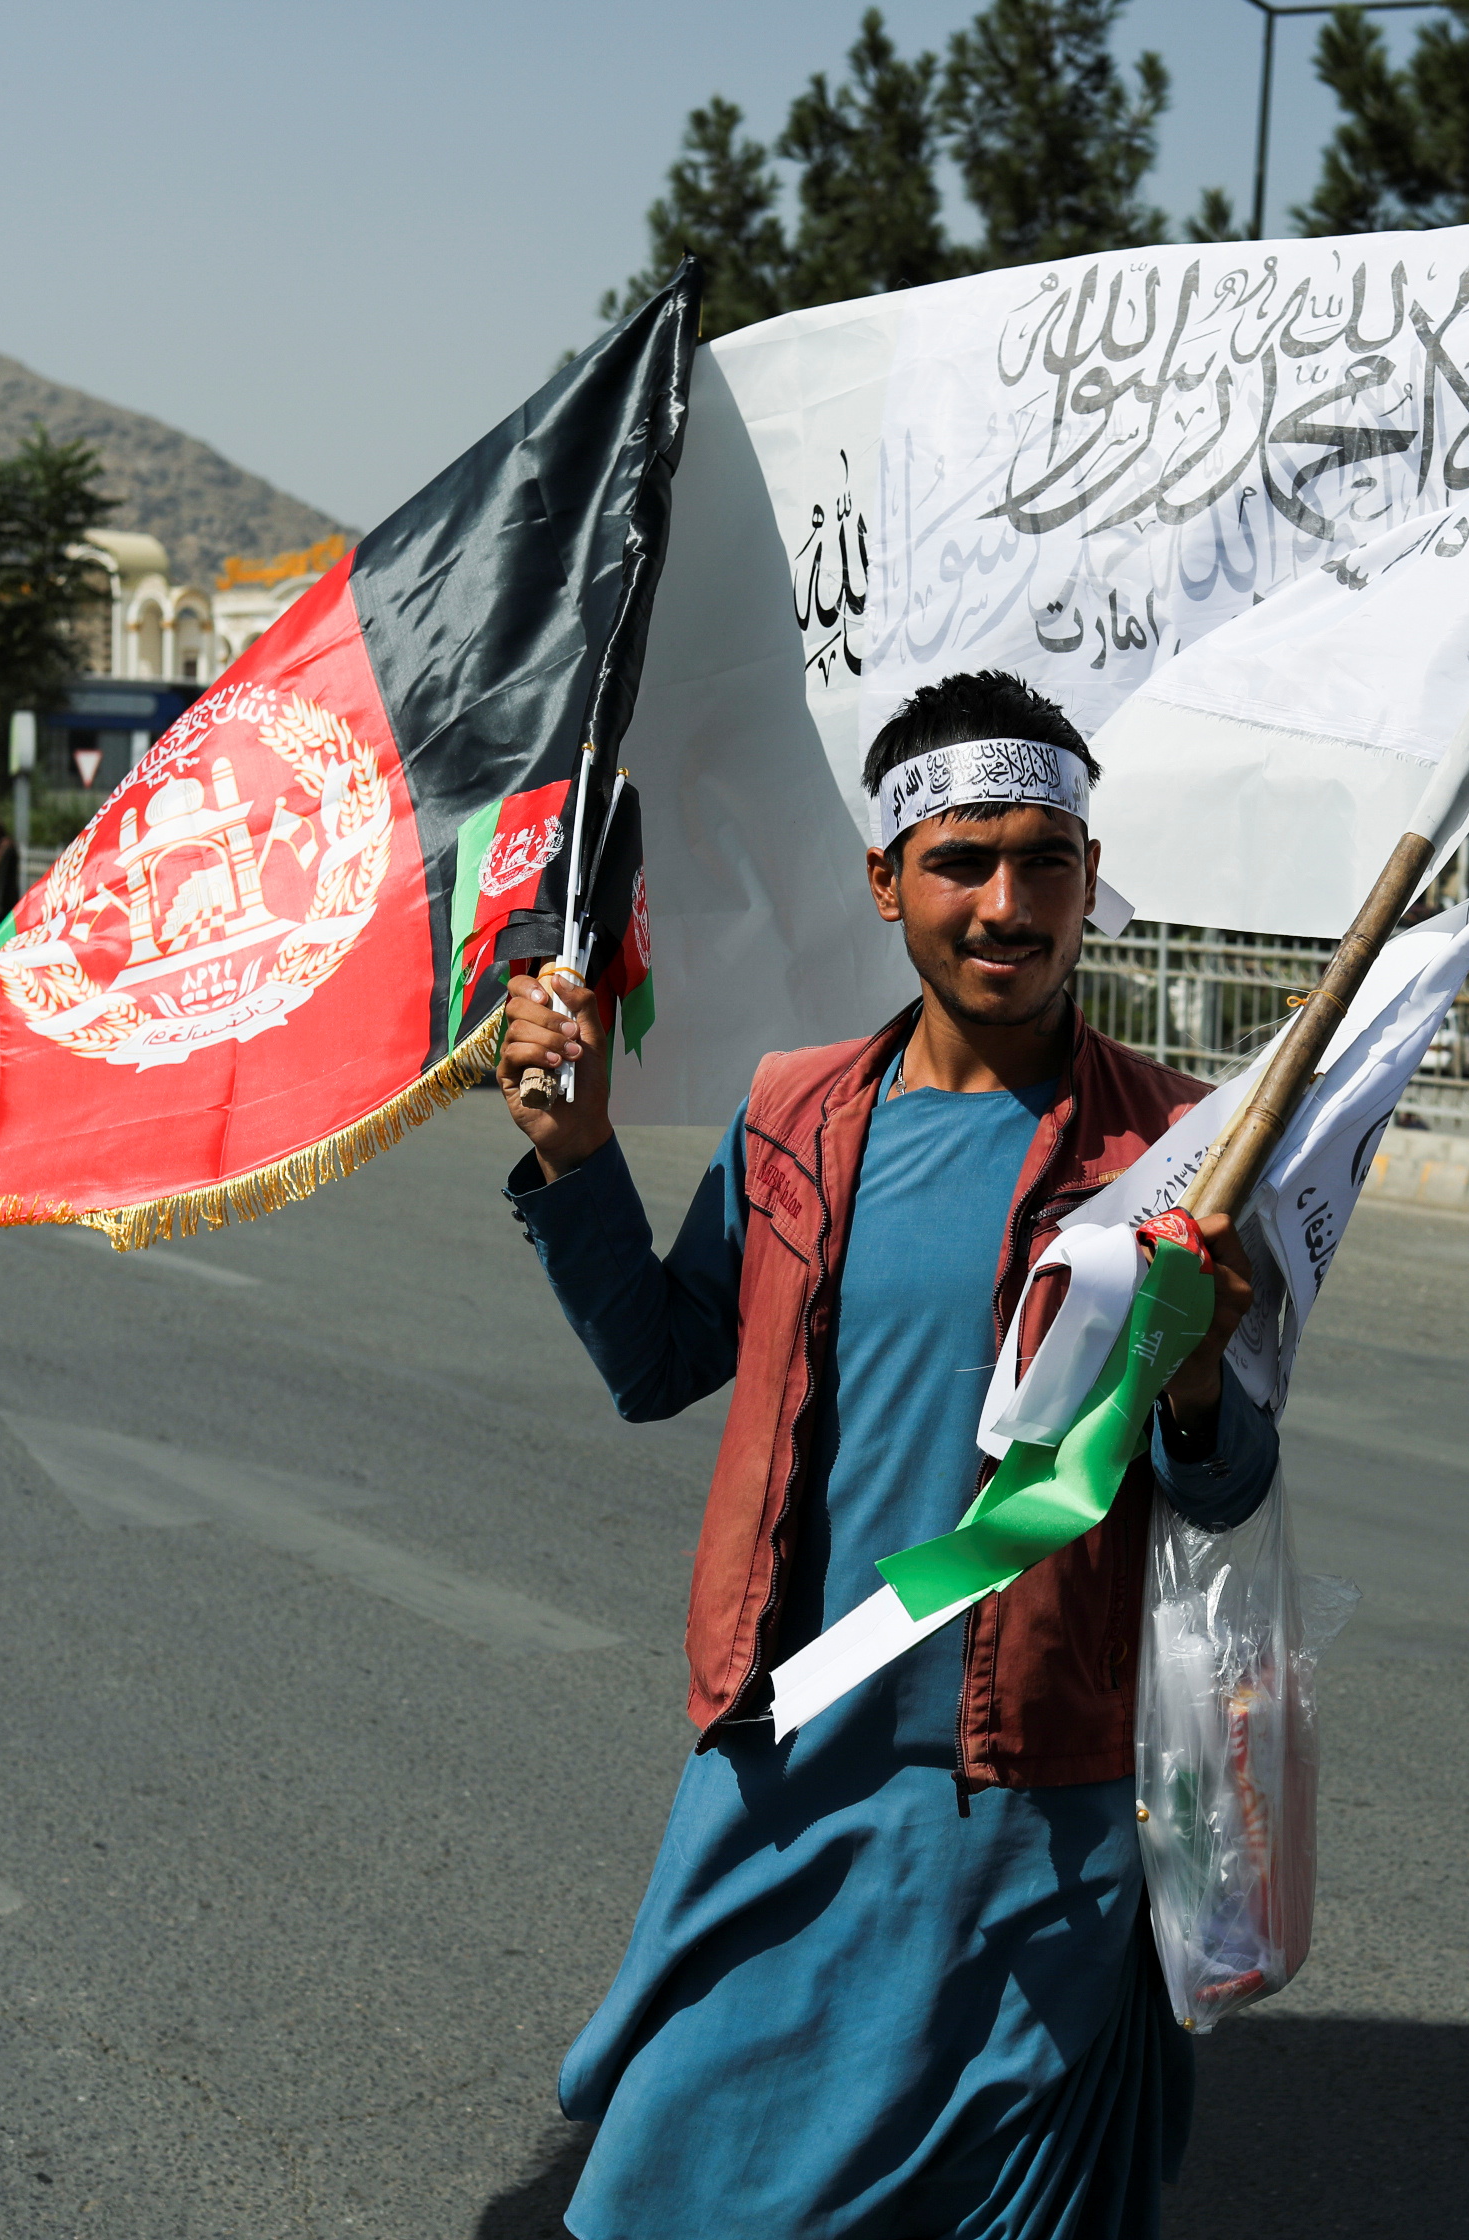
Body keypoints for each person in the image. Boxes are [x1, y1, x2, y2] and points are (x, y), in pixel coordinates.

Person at [498, 669, 1276, 2239]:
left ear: (1087, 874)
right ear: (886, 882)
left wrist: (1197, 1384)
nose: (1007, 904)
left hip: (1036, 1803)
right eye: (962, 862)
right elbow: (659, 1363)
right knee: (670, 2183)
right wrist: (576, 1156)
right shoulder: (793, 1114)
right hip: (788, 1769)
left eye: (1045, 860)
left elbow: (1226, 1486)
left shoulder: (1186, 1152)